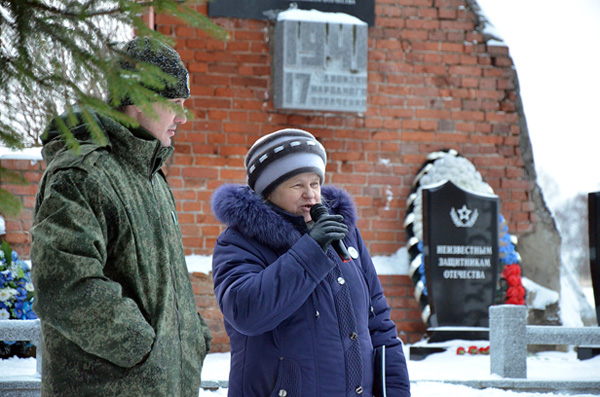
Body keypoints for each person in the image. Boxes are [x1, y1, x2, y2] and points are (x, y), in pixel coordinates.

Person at [30, 37, 212, 396]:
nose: (182, 116)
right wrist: (142, 346)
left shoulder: (149, 174)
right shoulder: (82, 174)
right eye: (174, 104)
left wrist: (191, 335)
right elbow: (65, 284)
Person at [211, 128, 411, 396]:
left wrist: (395, 391)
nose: (310, 195)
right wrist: (312, 249)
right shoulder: (239, 242)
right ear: (268, 192)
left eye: (314, 183)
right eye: (297, 185)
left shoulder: (345, 235)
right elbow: (246, 312)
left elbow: (379, 324)